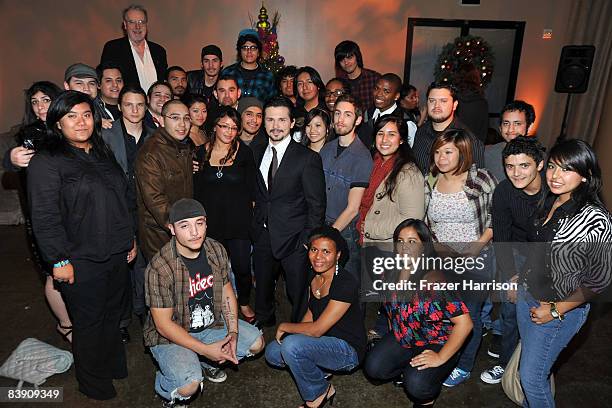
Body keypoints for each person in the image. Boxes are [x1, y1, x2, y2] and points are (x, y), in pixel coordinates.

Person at [28, 91, 134, 400]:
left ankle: (114, 365)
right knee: (89, 322)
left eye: (86, 114)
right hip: (78, 257)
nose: (81, 121)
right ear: (57, 123)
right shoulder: (48, 161)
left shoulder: (101, 152)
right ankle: (92, 383)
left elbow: (122, 201)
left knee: (113, 315)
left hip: (115, 252)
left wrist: (130, 239)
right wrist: (58, 260)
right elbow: (44, 216)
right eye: (71, 116)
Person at [515, 138, 611, 407]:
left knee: (531, 379)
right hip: (528, 296)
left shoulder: (595, 218)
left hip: (561, 309)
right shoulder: (550, 200)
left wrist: (555, 310)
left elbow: (599, 281)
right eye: (553, 167)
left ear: (585, 176)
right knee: (534, 373)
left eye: (567, 169)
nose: (556, 176)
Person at [144, 199, 265, 406]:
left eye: (199, 223)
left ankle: (201, 359)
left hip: (210, 325)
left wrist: (233, 333)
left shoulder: (215, 249)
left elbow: (227, 293)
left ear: (206, 223)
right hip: (172, 335)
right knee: (189, 384)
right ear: (172, 229)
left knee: (257, 343)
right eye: (185, 225)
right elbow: (163, 326)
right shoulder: (160, 267)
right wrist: (205, 349)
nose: (194, 232)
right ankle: (168, 384)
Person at [365, 219, 473, 407]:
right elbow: (392, 309)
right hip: (406, 336)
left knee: (416, 384)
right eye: (400, 241)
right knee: (373, 367)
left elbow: (465, 324)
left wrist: (440, 357)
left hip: (437, 341)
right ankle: (407, 368)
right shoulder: (390, 270)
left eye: (412, 242)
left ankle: (426, 397)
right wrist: (394, 334)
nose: (404, 247)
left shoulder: (434, 280)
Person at [421, 129, 497, 387]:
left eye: (448, 151)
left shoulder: (481, 179)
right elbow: (425, 222)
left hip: (476, 259)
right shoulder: (430, 178)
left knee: (470, 316)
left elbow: (496, 219)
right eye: (438, 151)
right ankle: (445, 355)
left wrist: (474, 249)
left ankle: (464, 366)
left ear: (462, 152)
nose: (441, 157)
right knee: (446, 313)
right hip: (441, 259)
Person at [265, 225, 366, 408]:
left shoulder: (345, 282)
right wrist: (296, 337)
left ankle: (319, 392)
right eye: (314, 250)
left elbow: (317, 329)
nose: (318, 257)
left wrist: (285, 328)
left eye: (326, 251)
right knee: (273, 352)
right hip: (324, 341)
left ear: (338, 256)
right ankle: (319, 369)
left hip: (347, 350)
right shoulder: (315, 275)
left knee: (291, 346)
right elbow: (312, 312)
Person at [3, 81, 73, 343]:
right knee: (53, 271)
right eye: (35, 102)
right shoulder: (30, 133)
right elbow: (13, 158)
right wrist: (10, 157)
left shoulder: (66, 126)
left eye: (46, 100)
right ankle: (66, 325)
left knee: (70, 268)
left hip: (72, 213)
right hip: (44, 214)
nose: (41, 106)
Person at [251, 96, 326, 326]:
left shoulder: (307, 158)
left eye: (282, 120)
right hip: (263, 233)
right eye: (270, 119)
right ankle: (265, 319)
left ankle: (299, 329)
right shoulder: (256, 150)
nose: (276, 125)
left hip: (295, 239)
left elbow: (317, 204)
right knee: (263, 284)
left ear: (292, 123)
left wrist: (307, 240)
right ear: (263, 122)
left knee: (297, 292)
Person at [479, 136, 546, 385]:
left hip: (547, 257)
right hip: (516, 254)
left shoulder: (553, 192)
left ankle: (535, 368)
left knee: (539, 317)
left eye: (524, 166)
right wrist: (510, 278)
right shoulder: (504, 192)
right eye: (510, 166)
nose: (516, 173)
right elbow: (502, 238)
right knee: (509, 312)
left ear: (539, 164)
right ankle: (506, 364)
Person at [193, 106, 257, 324]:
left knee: (241, 266)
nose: (229, 132)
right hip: (211, 225)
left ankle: (244, 302)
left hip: (239, 223)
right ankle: (215, 304)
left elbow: (253, 190)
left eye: (234, 128)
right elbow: (195, 191)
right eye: (224, 126)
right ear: (214, 126)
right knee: (212, 269)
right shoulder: (200, 153)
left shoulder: (244, 153)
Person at [102, 84, 155, 336]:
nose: (134, 110)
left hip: (145, 210)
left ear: (146, 107)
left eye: (139, 104)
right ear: (119, 107)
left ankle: (145, 312)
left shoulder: (154, 135)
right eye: (128, 104)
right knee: (120, 267)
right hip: (116, 210)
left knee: (145, 264)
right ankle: (121, 321)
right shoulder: (105, 135)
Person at [320, 94, 373, 277]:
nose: (340, 120)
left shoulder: (362, 157)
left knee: (348, 285)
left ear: (358, 120)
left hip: (345, 231)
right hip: (322, 222)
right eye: (337, 113)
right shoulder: (326, 149)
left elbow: (352, 208)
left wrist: (329, 234)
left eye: (347, 115)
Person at [135, 100, 193, 261]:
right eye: (175, 118)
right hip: (160, 233)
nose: (182, 124)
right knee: (166, 282)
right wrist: (183, 227)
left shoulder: (182, 146)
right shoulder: (151, 153)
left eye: (186, 118)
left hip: (181, 227)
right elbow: (155, 200)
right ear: (160, 120)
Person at [357, 116, 425, 245]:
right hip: (363, 239)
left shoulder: (409, 174)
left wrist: (370, 227)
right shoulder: (370, 162)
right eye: (380, 133)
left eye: (391, 134)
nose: (384, 140)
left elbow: (412, 219)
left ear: (401, 140)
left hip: (388, 245)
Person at [412, 82, 485, 175]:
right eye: (432, 100)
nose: (436, 106)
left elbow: (477, 180)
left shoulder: (468, 139)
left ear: (455, 105)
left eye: (443, 101)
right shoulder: (421, 132)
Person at [100, 4, 167, 92]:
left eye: (141, 22)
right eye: (132, 22)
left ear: (146, 25)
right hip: (126, 104)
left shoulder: (159, 51)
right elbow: (107, 79)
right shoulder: (113, 48)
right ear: (125, 25)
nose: (137, 27)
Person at [484, 100, 536, 182]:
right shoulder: (487, 154)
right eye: (506, 123)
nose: (510, 129)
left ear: (529, 127)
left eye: (517, 123)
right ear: (500, 128)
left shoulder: (538, 158)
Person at [221, 29, 275, 102]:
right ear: (240, 51)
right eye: (245, 48)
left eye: (253, 48)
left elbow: (271, 103)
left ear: (258, 52)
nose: (249, 52)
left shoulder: (267, 76)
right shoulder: (228, 73)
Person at [358, 73, 408, 149]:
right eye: (376, 88)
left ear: (396, 96)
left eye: (386, 91)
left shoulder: (405, 121)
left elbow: (406, 152)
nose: (378, 94)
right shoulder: (368, 113)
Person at [334, 40, 381, 111]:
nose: (346, 62)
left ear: (357, 57)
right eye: (341, 60)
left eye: (349, 57)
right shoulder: (339, 82)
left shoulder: (374, 78)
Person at [453, 62, 489, 144]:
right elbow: (483, 132)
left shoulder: (453, 98)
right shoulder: (482, 102)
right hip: (474, 147)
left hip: (454, 145)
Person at [293, 66, 327, 139]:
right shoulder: (294, 113)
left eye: (309, 82)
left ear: (318, 85)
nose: (305, 87)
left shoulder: (327, 110)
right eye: (300, 84)